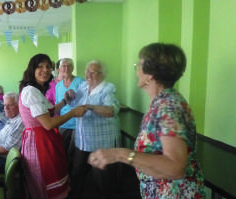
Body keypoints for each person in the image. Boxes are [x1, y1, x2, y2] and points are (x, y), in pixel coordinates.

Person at [88, 43, 206, 198]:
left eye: (139, 65)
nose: (136, 70)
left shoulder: (168, 107)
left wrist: (120, 154)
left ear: (150, 74)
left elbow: (175, 167)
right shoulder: (161, 102)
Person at [19, 54, 87, 199]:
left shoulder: (36, 90)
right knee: (45, 182)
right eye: (40, 66)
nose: (45, 70)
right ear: (32, 69)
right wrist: (74, 112)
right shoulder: (31, 92)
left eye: (48, 67)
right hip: (39, 143)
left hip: (44, 140)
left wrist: (64, 101)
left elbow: (50, 111)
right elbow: (48, 123)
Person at [66, 60, 120, 199]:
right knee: (77, 175)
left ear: (102, 74)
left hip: (101, 143)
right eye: (87, 71)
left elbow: (111, 110)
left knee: (102, 180)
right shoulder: (83, 86)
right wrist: (71, 95)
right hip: (83, 141)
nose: (88, 75)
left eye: (93, 72)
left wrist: (90, 107)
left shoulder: (107, 89)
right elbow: (75, 102)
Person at [55, 58, 84, 172]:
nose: (66, 68)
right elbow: (59, 105)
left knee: (74, 152)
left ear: (72, 68)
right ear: (60, 69)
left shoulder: (80, 81)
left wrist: (74, 97)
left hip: (77, 123)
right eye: (64, 66)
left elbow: (85, 102)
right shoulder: (58, 86)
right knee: (62, 151)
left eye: (69, 66)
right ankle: (64, 175)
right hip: (63, 123)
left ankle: (73, 178)